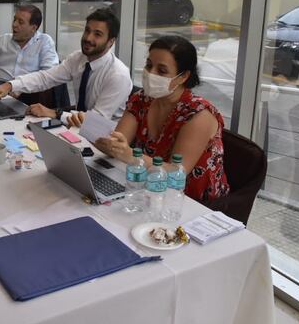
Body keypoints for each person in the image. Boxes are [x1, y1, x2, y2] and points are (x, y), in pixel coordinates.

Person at [94, 36, 230, 202]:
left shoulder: (199, 114)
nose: (151, 73)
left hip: (192, 202)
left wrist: (131, 156)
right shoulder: (142, 99)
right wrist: (104, 140)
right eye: (149, 65)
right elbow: (118, 141)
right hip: (146, 189)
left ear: (183, 76)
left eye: (162, 71)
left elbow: (177, 171)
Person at [0, 7, 132, 125]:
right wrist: (11, 85)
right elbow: (46, 78)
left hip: (104, 137)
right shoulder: (78, 58)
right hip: (76, 127)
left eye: (97, 34)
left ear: (111, 42)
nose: (88, 38)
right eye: (87, 30)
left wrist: (55, 113)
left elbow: (96, 120)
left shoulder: (118, 75)